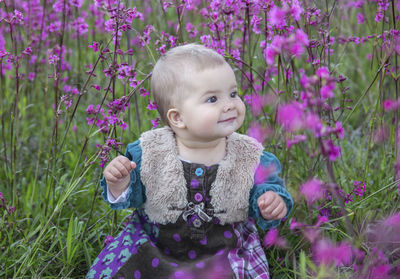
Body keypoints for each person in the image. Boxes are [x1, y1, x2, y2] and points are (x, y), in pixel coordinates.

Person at [87, 44, 293, 279]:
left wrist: (270, 202)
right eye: (213, 98)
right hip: (156, 247)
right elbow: (132, 195)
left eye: (233, 94)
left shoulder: (249, 155)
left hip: (223, 251)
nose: (229, 104)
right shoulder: (150, 151)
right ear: (178, 117)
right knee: (128, 269)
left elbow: (267, 186)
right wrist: (119, 183)